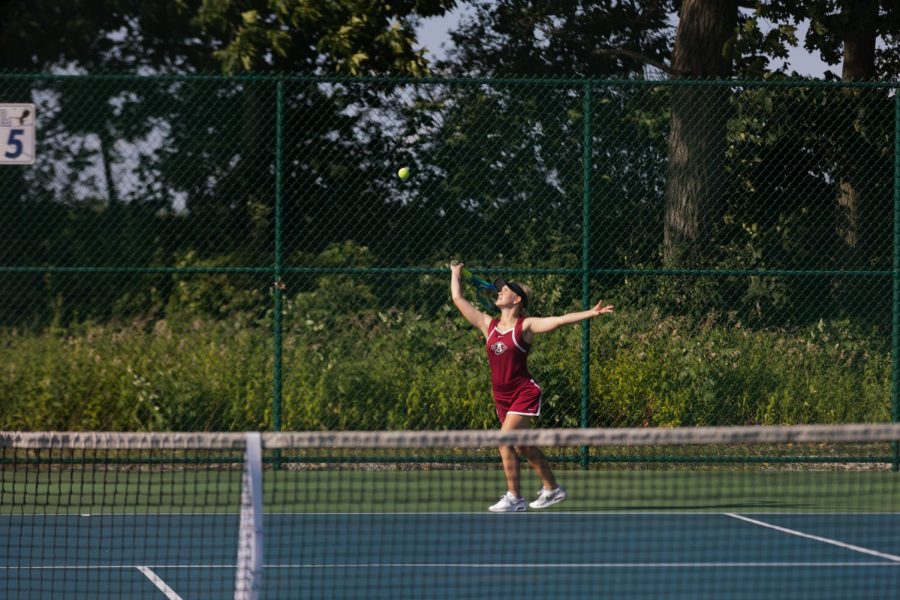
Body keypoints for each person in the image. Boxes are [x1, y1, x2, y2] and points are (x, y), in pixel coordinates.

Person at [449, 261, 615, 512]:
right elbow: (458, 298)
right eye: (500, 289)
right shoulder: (488, 325)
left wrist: (590, 313)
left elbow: (558, 320)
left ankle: (514, 498)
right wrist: (455, 274)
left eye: (505, 290)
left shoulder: (524, 326)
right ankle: (553, 489)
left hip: (524, 392)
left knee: (504, 441)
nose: (499, 291)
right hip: (501, 396)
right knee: (523, 446)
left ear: (517, 299)